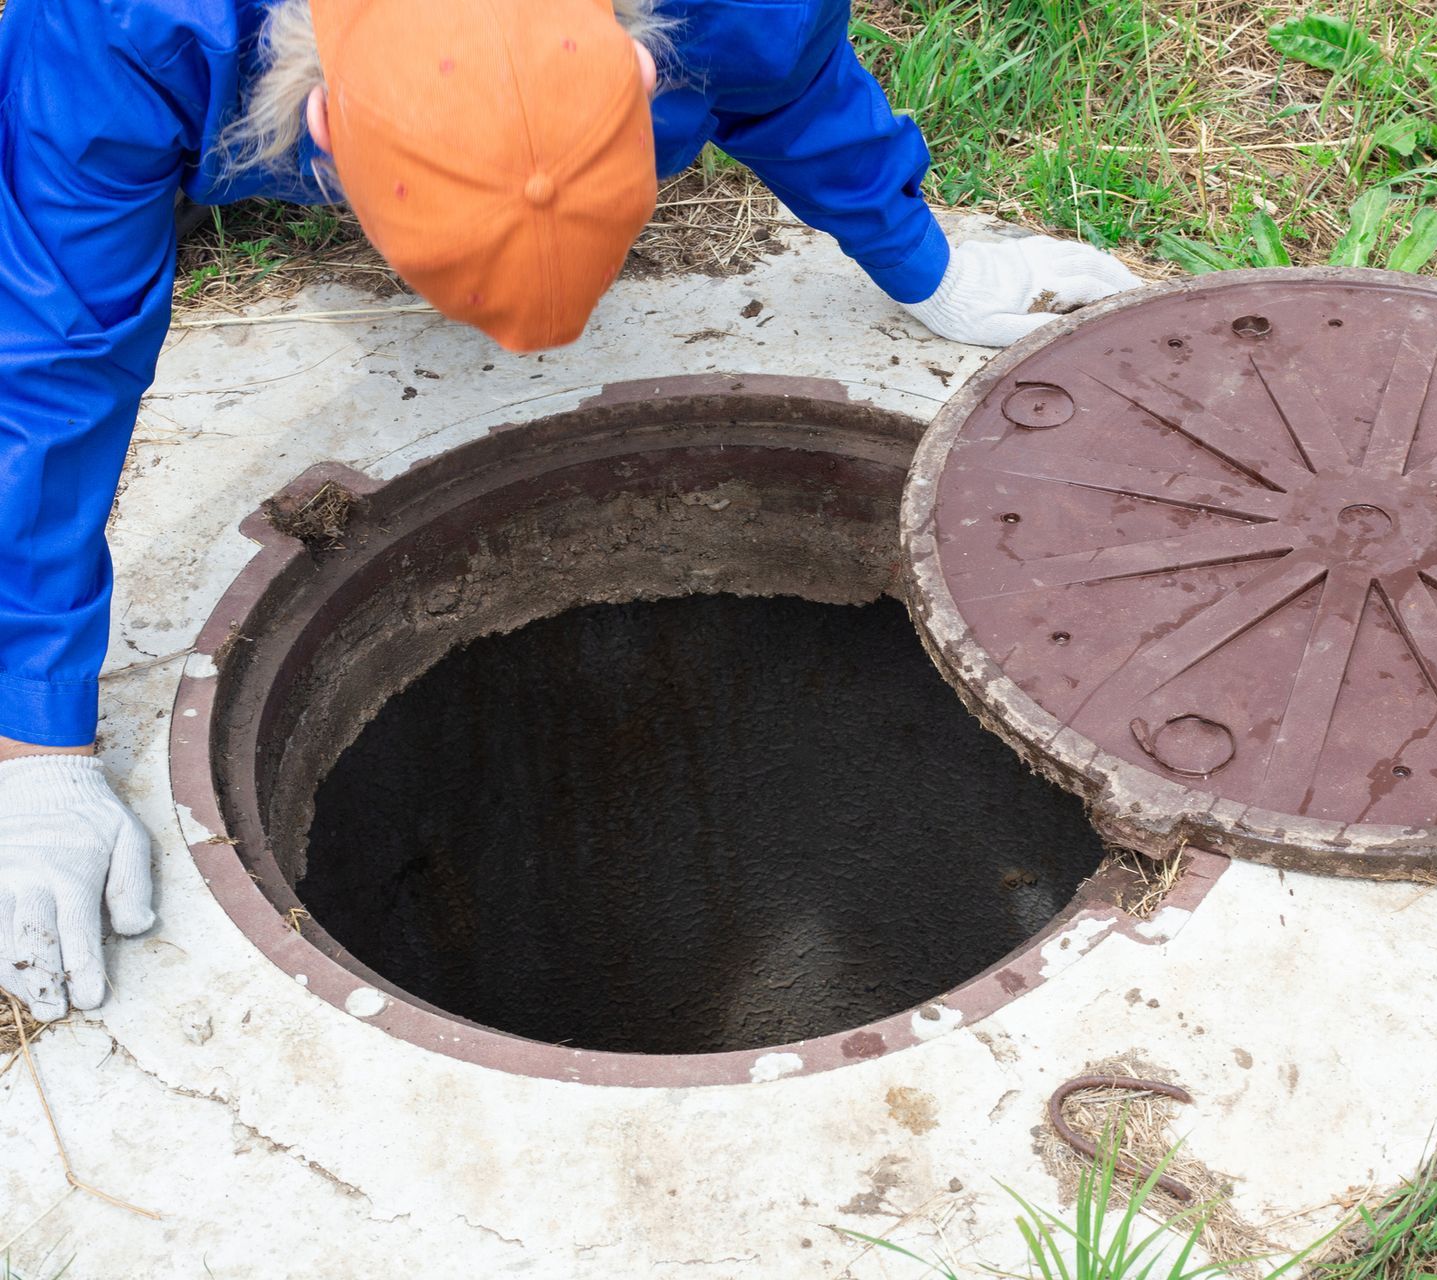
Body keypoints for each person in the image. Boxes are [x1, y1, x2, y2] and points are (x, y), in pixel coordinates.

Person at [0, 0, 1142, 1022]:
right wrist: (34, 743)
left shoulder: (732, 9)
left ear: (644, 69)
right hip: (162, 70)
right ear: (329, 131)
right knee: (76, 163)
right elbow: (56, 364)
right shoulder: (120, 28)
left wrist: (923, 262)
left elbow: (785, 77)